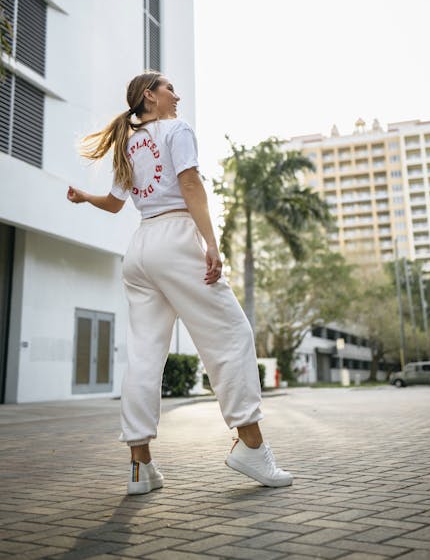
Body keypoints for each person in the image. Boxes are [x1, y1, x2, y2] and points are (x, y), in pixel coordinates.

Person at [67, 70, 292, 494]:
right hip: (175, 239)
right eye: (170, 87)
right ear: (150, 96)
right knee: (231, 335)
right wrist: (211, 243)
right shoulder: (177, 129)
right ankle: (252, 448)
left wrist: (84, 197)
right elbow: (190, 184)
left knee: (144, 355)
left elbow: (116, 205)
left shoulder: (126, 143)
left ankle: (140, 468)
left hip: (141, 249)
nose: (178, 93)